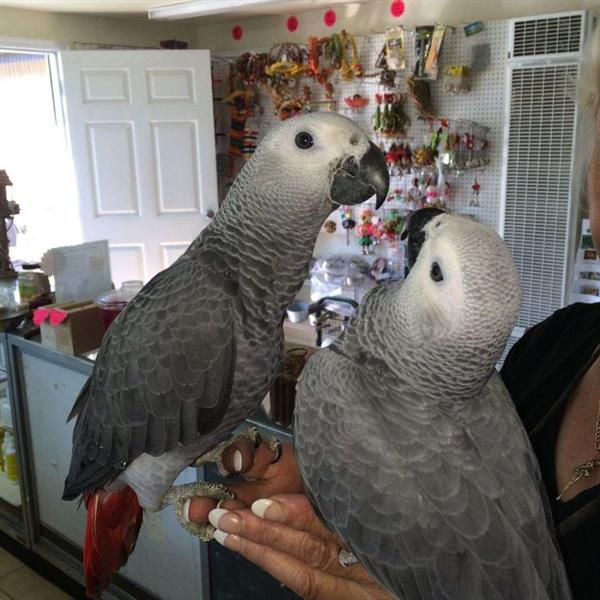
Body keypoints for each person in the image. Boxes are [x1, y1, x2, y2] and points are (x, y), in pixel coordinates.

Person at [186, 25, 600, 600]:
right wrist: (329, 477)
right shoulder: (557, 343)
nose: (426, 226)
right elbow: (431, 496)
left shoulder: (340, 378)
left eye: (433, 268)